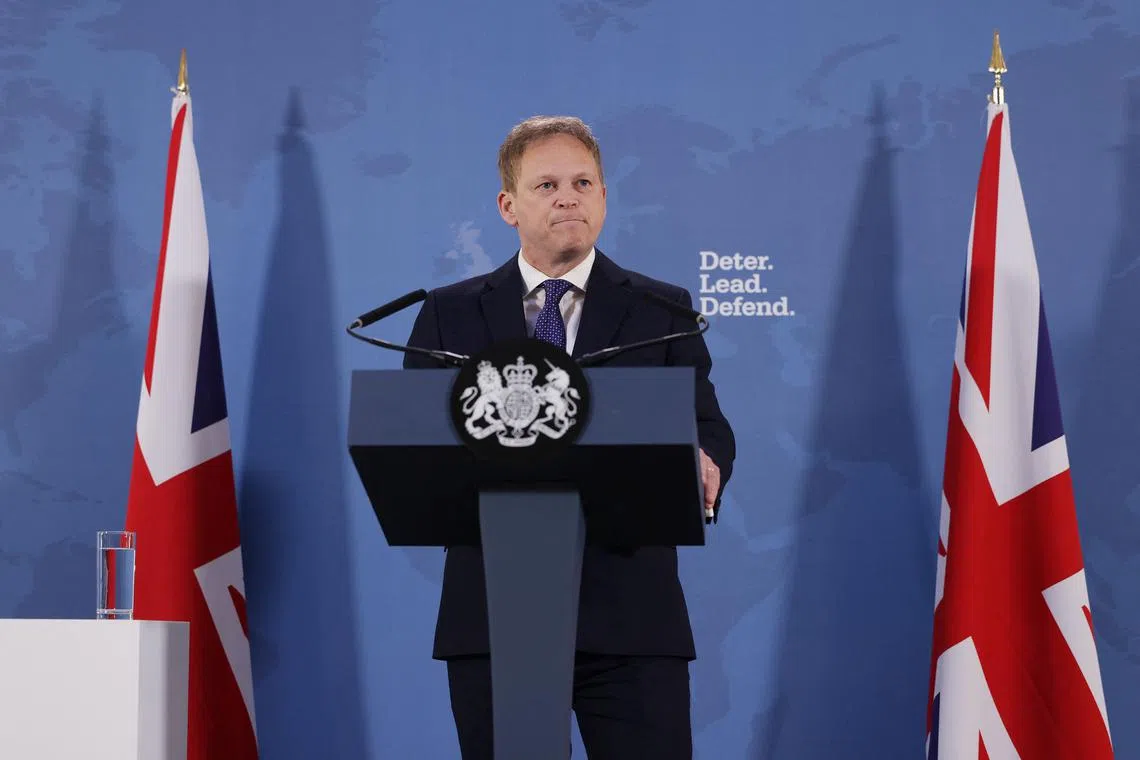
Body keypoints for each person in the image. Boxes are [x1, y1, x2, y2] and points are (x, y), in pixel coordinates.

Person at [403, 115, 735, 759]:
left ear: (605, 197)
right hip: (497, 618)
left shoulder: (662, 309)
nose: (568, 197)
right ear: (508, 205)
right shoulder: (449, 312)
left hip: (631, 615)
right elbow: (417, 440)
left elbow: (707, 424)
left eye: (584, 182)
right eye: (547, 184)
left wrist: (708, 461)